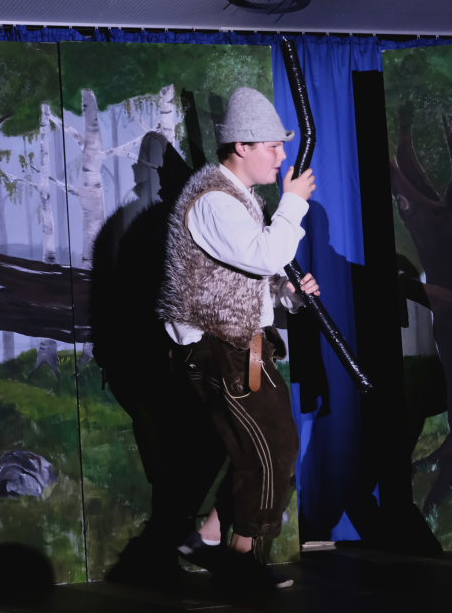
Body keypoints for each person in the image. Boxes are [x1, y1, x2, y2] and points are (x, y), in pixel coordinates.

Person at [158, 87, 318, 590]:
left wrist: (286, 294)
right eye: (272, 146)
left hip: (238, 345)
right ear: (242, 147)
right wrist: (293, 204)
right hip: (221, 349)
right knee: (273, 450)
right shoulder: (213, 202)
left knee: (262, 451)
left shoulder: (236, 199)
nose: (282, 156)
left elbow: (245, 275)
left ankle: (208, 540)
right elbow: (264, 255)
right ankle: (240, 560)